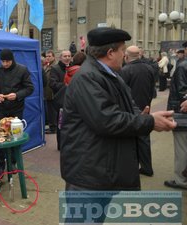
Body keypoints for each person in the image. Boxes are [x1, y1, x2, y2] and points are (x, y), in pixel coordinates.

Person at [60, 27, 176, 192]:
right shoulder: (88, 77)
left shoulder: (109, 74)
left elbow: (126, 105)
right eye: (122, 50)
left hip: (100, 168)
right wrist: (149, 121)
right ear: (110, 53)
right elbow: (107, 120)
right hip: (88, 175)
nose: (124, 55)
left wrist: (141, 116)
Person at [0, 49, 34, 179]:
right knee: (0, 136)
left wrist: (17, 95)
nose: (5, 64)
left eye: (7, 61)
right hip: (2, 109)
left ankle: (13, 163)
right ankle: (0, 166)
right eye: (3, 61)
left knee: (15, 136)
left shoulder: (22, 70)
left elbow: (30, 88)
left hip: (16, 109)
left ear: (12, 59)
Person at [121, 45, 156, 176]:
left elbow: (122, 92)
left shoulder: (125, 70)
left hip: (131, 108)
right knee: (144, 137)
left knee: (131, 138)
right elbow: (153, 88)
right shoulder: (149, 68)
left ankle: (133, 167)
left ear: (126, 56)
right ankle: (147, 166)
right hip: (146, 106)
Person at [165, 41, 187, 190]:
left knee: (182, 148)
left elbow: (181, 91)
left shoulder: (183, 66)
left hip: (182, 113)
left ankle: (181, 180)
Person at [49, 50, 72, 150]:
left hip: (72, 99)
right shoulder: (55, 68)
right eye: (65, 56)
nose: (67, 58)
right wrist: (65, 85)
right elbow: (52, 84)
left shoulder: (73, 67)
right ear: (60, 58)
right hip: (61, 100)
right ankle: (61, 145)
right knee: (61, 123)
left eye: (69, 56)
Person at [43, 50, 57, 134]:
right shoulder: (47, 66)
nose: (47, 58)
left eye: (49, 56)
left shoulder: (54, 66)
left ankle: (53, 127)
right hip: (47, 92)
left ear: (53, 57)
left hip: (52, 92)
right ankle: (51, 126)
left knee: (52, 111)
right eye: (46, 56)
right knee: (49, 110)